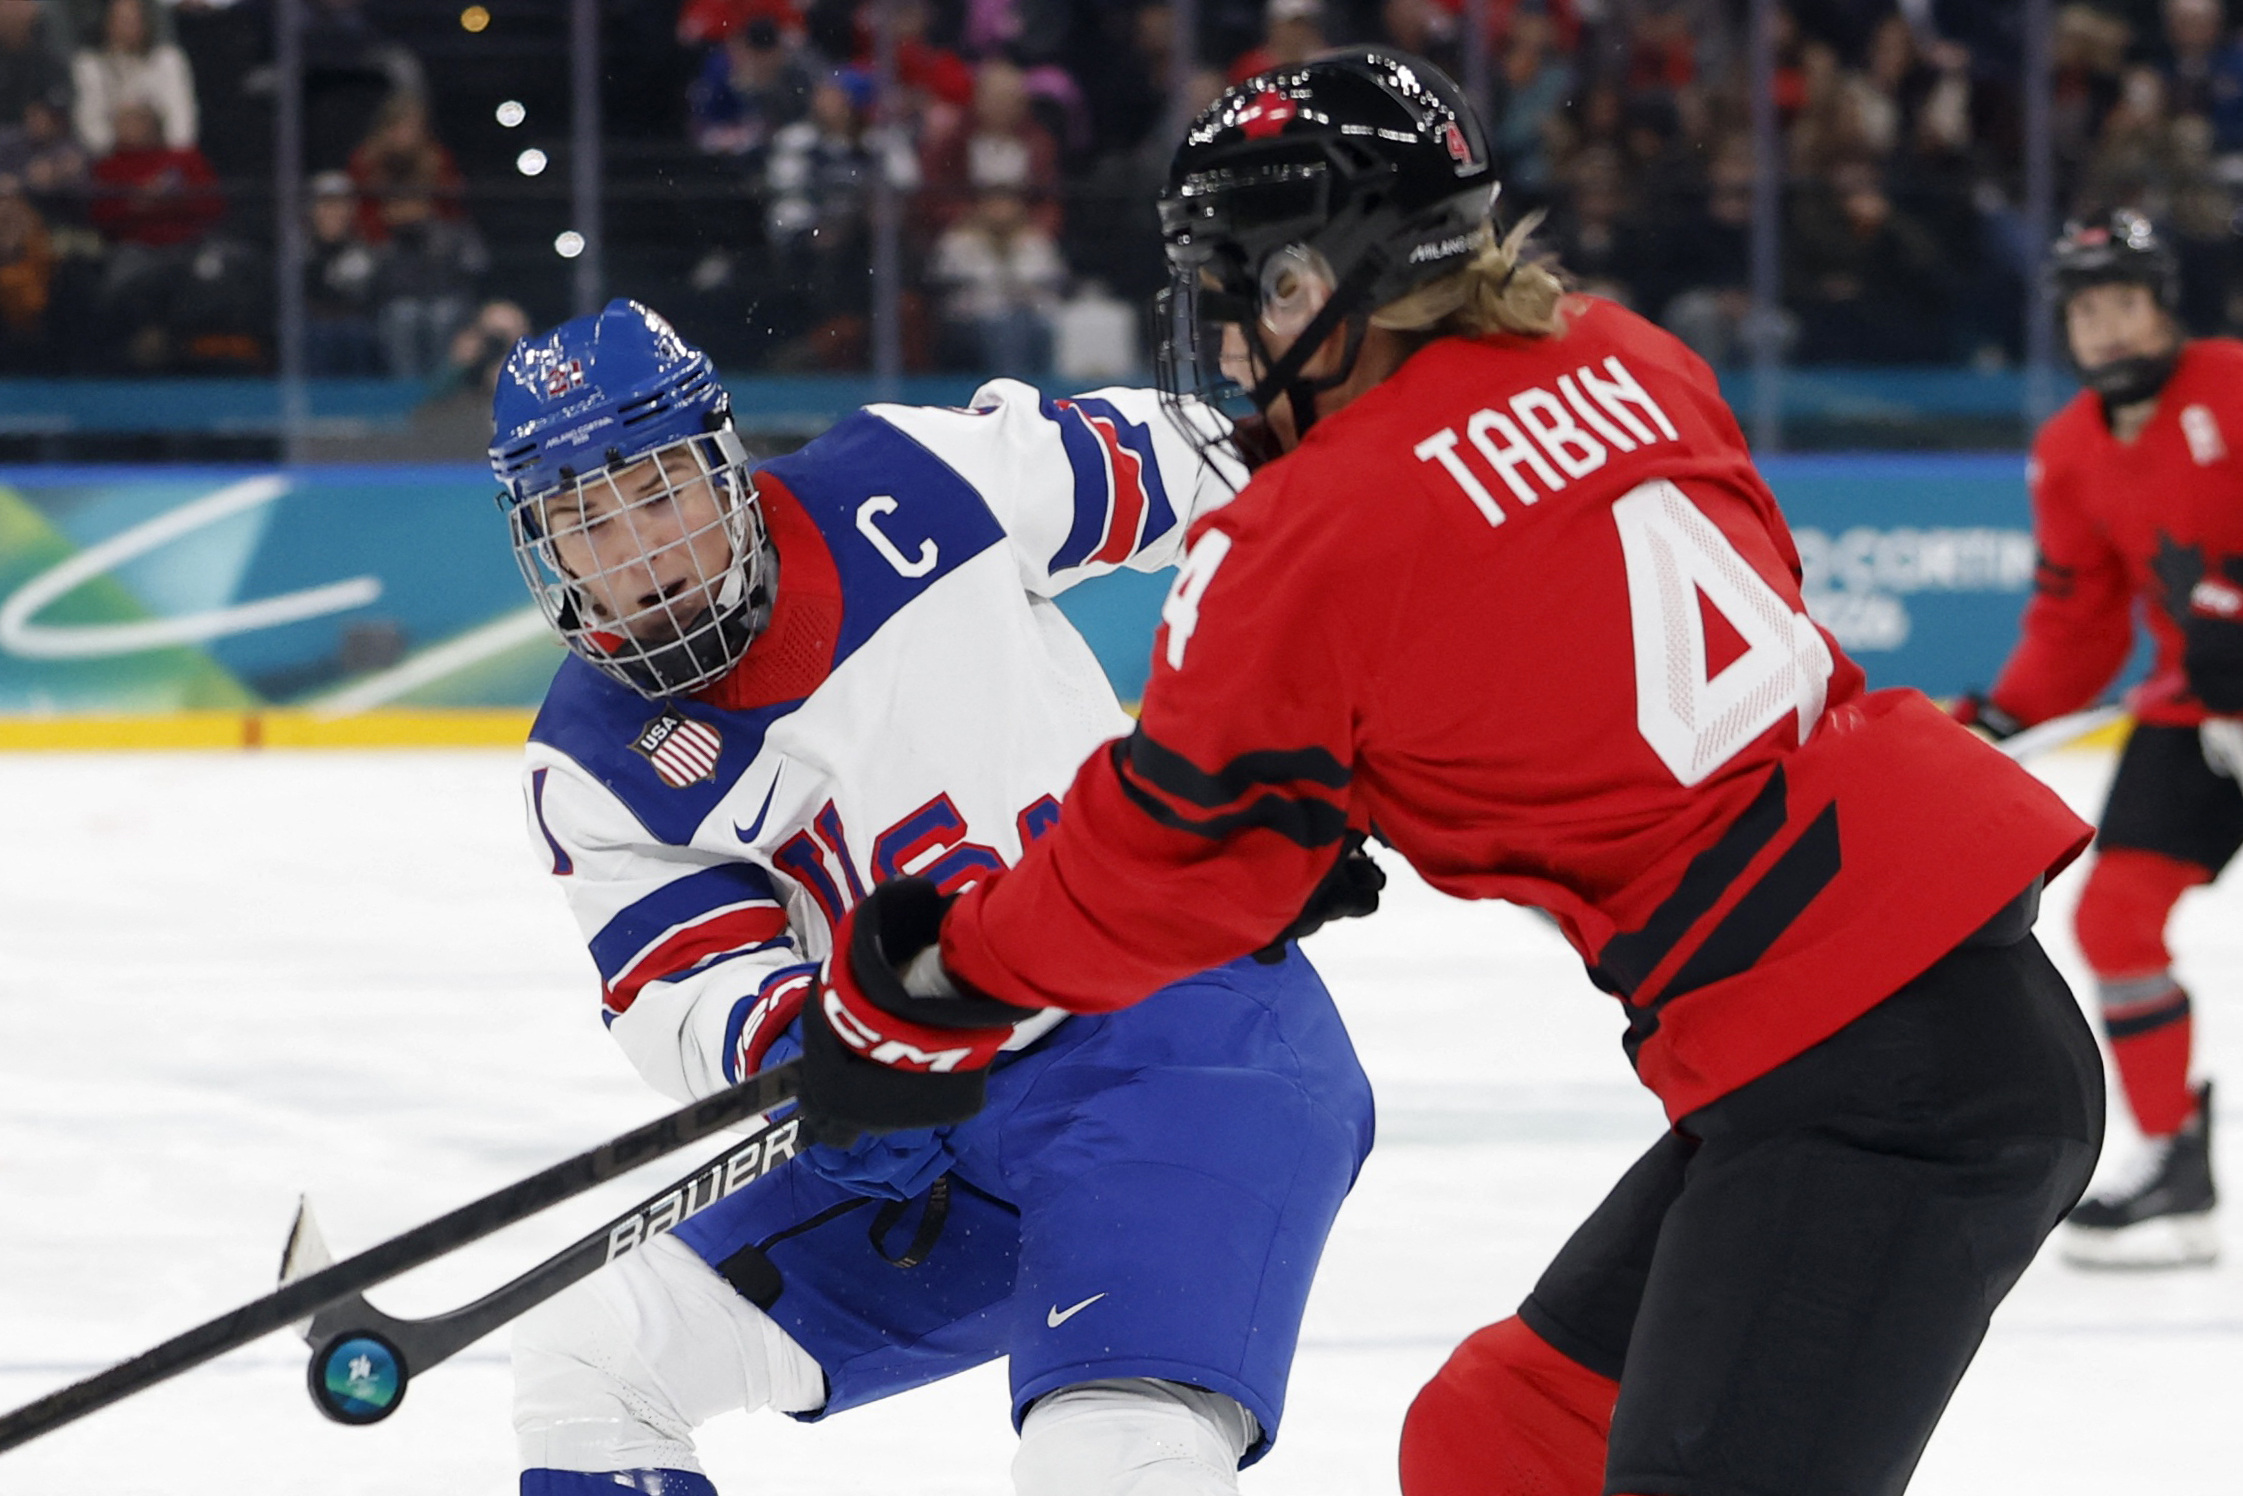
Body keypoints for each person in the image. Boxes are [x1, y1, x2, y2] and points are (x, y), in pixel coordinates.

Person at [796, 51, 2107, 1496]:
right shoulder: (1628, 355)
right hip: (1928, 1019)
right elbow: (1592, 660)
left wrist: (932, 975)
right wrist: (1341, 799)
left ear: (1331, 274)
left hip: (1862, 1085)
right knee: (1504, 1435)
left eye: (1247, 287)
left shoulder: (1308, 530)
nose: (1224, 337)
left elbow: (1157, 865)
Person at [489, 299, 1374, 1495]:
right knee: (591, 1358)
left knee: (1106, 1460)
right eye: (582, 521)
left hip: (1178, 1042)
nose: (635, 556)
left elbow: (1219, 470)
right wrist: (819, 1063)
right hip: (930, 1120)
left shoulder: (918, 479)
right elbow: (691, 992)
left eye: (657, 494)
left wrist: (1322, 714)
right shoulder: (593, 761)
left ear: (721, 462)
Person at [1953, 211, 2233, 1270]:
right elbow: (2078, 622)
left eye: (2123, 303)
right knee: (2115, 918)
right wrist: (1999, 716)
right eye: (2084, 311)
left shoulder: (2233, 386)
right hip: (2196, 712)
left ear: (2164, 306)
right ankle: (2173, 1166)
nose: (2106, 327)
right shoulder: (2067, 450)